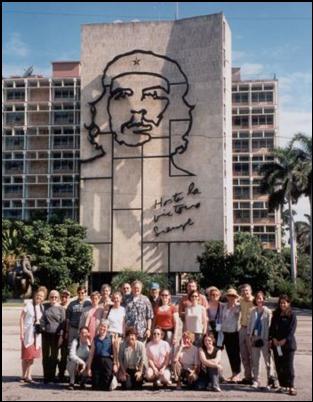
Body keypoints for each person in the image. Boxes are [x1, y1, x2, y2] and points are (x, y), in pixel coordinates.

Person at [269, 295, 297, 396]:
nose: (282, 304)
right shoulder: (275, 314)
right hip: (277, 345)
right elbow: (271, 328)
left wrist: (284, 340)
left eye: (284, 303)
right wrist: (274, 339)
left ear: (288, 303)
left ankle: (291, 386)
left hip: (288, 345)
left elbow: (291, 330)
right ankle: (283, 386)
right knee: (279, 366)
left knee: (288, 366)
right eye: (281, 303)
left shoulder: (292, 315)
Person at [19, 288, 45, 383]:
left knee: (32, 356)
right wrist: (22, 332)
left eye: (41, 296)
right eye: (38, 295)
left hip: (36, 335)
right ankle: (23, 375)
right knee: (26, 356)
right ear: (35, 295)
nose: (39, 297)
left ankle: (29, 376)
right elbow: (21, 318)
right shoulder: (28, 305)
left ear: (43, 298)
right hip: (28, 334)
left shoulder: (41, 307)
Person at [40, 290, 66, 383]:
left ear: (58, 298)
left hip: (56, 335)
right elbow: (42, 319)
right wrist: (42, 326)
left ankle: (52, 376)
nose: (53, 299)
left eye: (55, 297)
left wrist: (61, 336)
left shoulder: (61, 309)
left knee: (54, 356)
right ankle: (46, 376)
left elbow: (63, 324)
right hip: (45, 334)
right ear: (49, 297)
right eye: (52, 297)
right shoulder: (45, 306)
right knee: (45, 356)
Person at [248, 291, 272, 389]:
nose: (259, 300)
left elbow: (270, 326)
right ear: (255, 299)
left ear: (264, 299)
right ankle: (256, 380)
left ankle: (270, 381)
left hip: (265, 338)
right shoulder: (253, 311)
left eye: (261, 298)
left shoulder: (268, 311)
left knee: (268, 361)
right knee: (255, 360)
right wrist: (250, 335)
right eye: (257, 298)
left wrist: (269, 339)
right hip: (255, 338)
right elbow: (250, 324)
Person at [87, 319, 117, 390]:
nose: (102, 328)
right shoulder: (95, 338)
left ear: (107, 328)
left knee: (106, 386)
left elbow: (115, 352)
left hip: (107, 360)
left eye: (104, 327)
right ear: (98, 327)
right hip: (97, 360)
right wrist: (89, 368)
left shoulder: (111, 337)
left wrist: (115, 364)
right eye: (101, 326)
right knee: (95, 386)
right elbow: (91, 354)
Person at [221, 288, 241, 383]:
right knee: (229, 354)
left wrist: (237, 301)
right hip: (224, 332)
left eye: (233, 296)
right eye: (229, 296)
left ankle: (237, 374)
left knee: (235, 354)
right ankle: (233, 373)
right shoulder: (224, 306)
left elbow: (248, 301)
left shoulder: (238, 306)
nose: (231, 297)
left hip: (234, 332)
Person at [238, 283, 254, 385]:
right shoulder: (241, 301)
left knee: (252, 355)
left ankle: (254, 377)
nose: (245, 292)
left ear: (251, 291)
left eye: (247, 290)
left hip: (251, 330)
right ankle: (247, 377)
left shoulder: (255, 301)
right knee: (244, 354)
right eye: (243, 291)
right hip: (242, 329)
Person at [58, 289, 71, 382]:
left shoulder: (70, 307)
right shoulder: (58, 306)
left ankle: (64, 373)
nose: (64, 298)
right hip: (58, 333)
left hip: (67, 333)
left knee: (66, 355)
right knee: (59, 355)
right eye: (62, 296)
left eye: (66, 297)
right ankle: (60, 373)